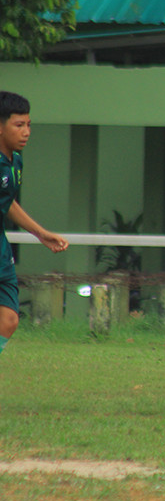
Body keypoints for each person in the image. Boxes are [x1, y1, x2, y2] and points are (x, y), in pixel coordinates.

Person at [0, 91, 69, 359]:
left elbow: (6, 203)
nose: (26, 132)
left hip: (2, 249)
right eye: (19, 125)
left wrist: (41, 233)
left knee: (8, 320)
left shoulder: (15, 161)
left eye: (28, 125)